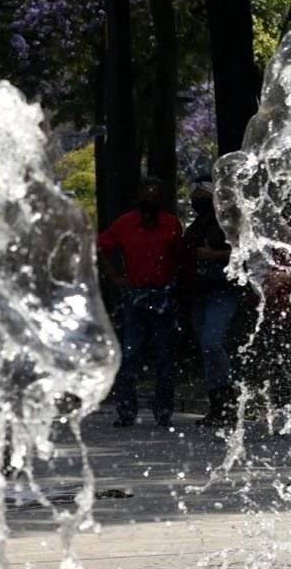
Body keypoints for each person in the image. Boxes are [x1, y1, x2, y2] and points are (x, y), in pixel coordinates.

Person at [98, 177, 183, 428]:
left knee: (165, 355)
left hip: (163, 296)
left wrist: (176, 287)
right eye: (146, 196)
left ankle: (164, 409)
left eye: (155, 196)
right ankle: (126, 410)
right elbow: (101, 246)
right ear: (139, 198)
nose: (150, 200)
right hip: (135, 296)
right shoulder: (125, 224)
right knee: (130, 354)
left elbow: (179, 256)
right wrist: (116, 277)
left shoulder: (171, 224)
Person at [180, 177, 240, 427]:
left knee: (212, 342)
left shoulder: (228, 223)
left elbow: (242, 251)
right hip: (198, 293)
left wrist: (213, 254)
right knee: (206, 350)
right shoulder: (194, 227)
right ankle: (217, 406)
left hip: (222, 290)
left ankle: (229, 398)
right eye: (194, 196)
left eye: (203, 194)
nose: (197, 200)